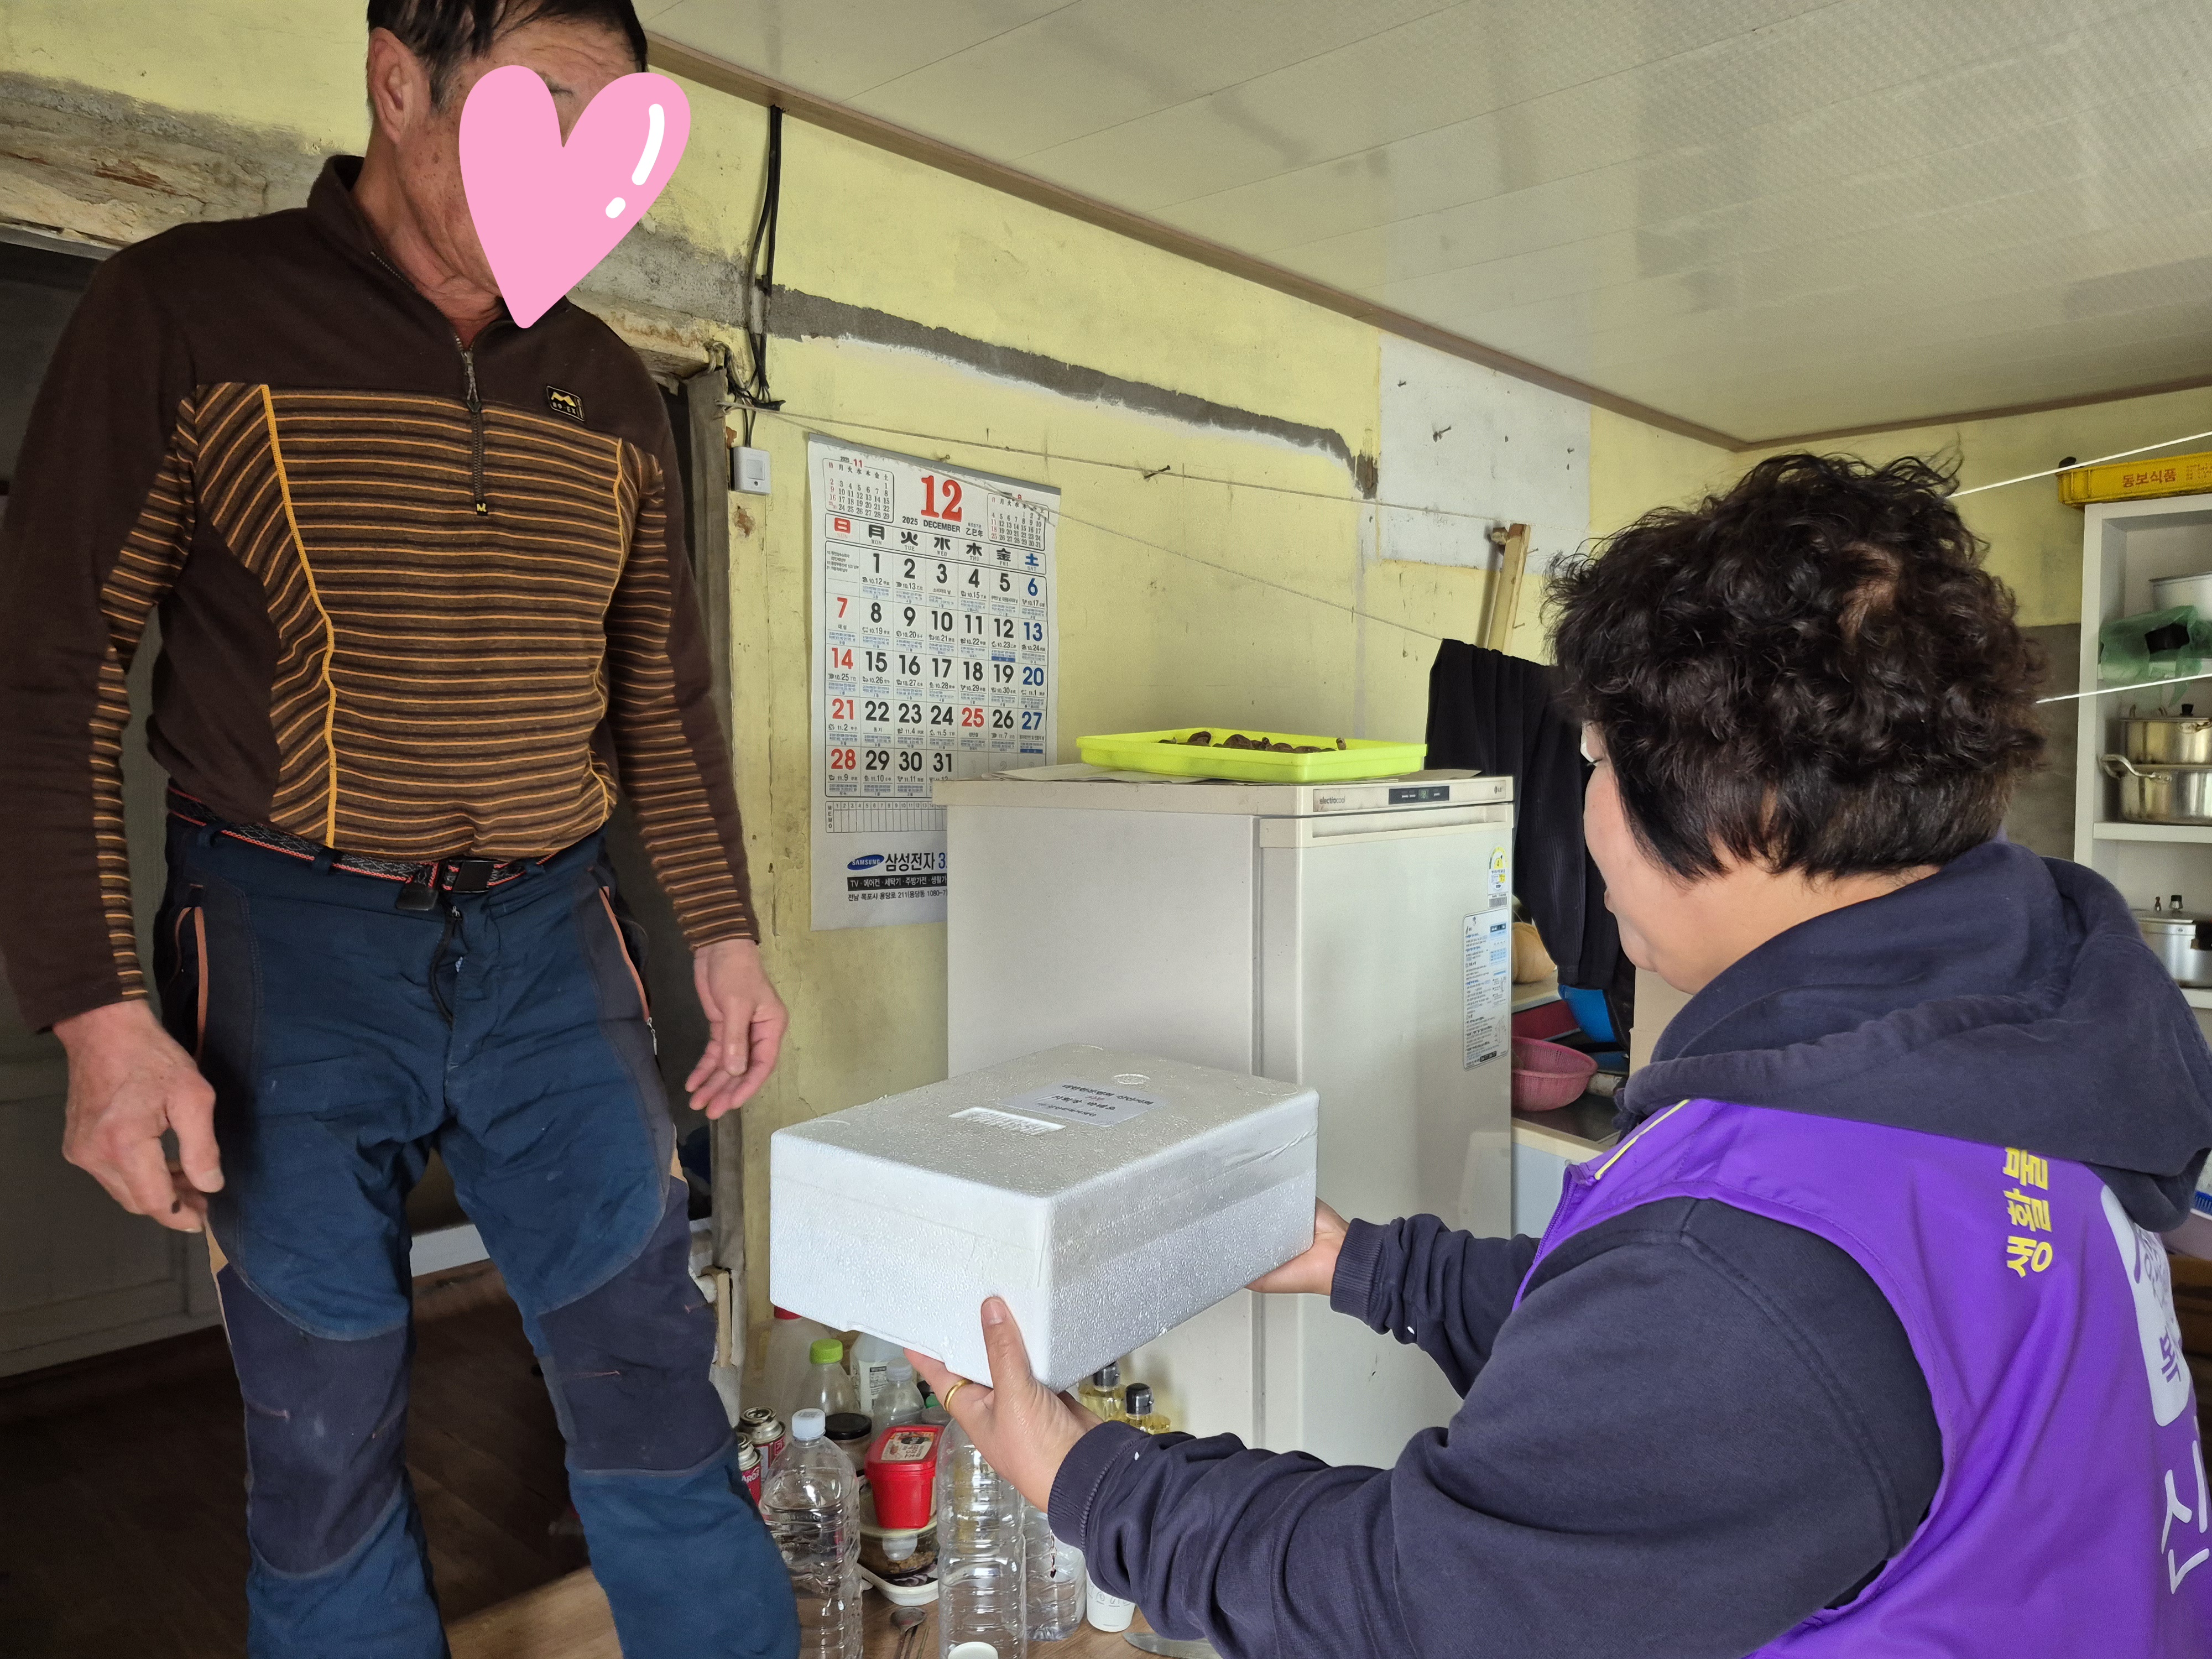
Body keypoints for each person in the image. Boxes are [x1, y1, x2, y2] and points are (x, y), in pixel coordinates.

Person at [909, 454, 2212, 1657]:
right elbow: (1677, 1363)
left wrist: (1085, 1476)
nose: (1580, 806)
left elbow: (1422, 1599)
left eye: (1590, 760)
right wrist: (1366, 1263)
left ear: (1749, 816)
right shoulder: (1998, 1045)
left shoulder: (1758, 1247)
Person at [0, 3, 798, 1655]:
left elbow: (660, 700)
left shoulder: (606, 387)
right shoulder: (187, 311)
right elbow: (52, 668)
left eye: (612, 135)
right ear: (396, 81)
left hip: (551, 939)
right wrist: (95, 1014)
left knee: (652, 1371)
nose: (580, 172)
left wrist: (723, 932)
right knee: (323, 1422)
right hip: (282, 941)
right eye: (542, 111)